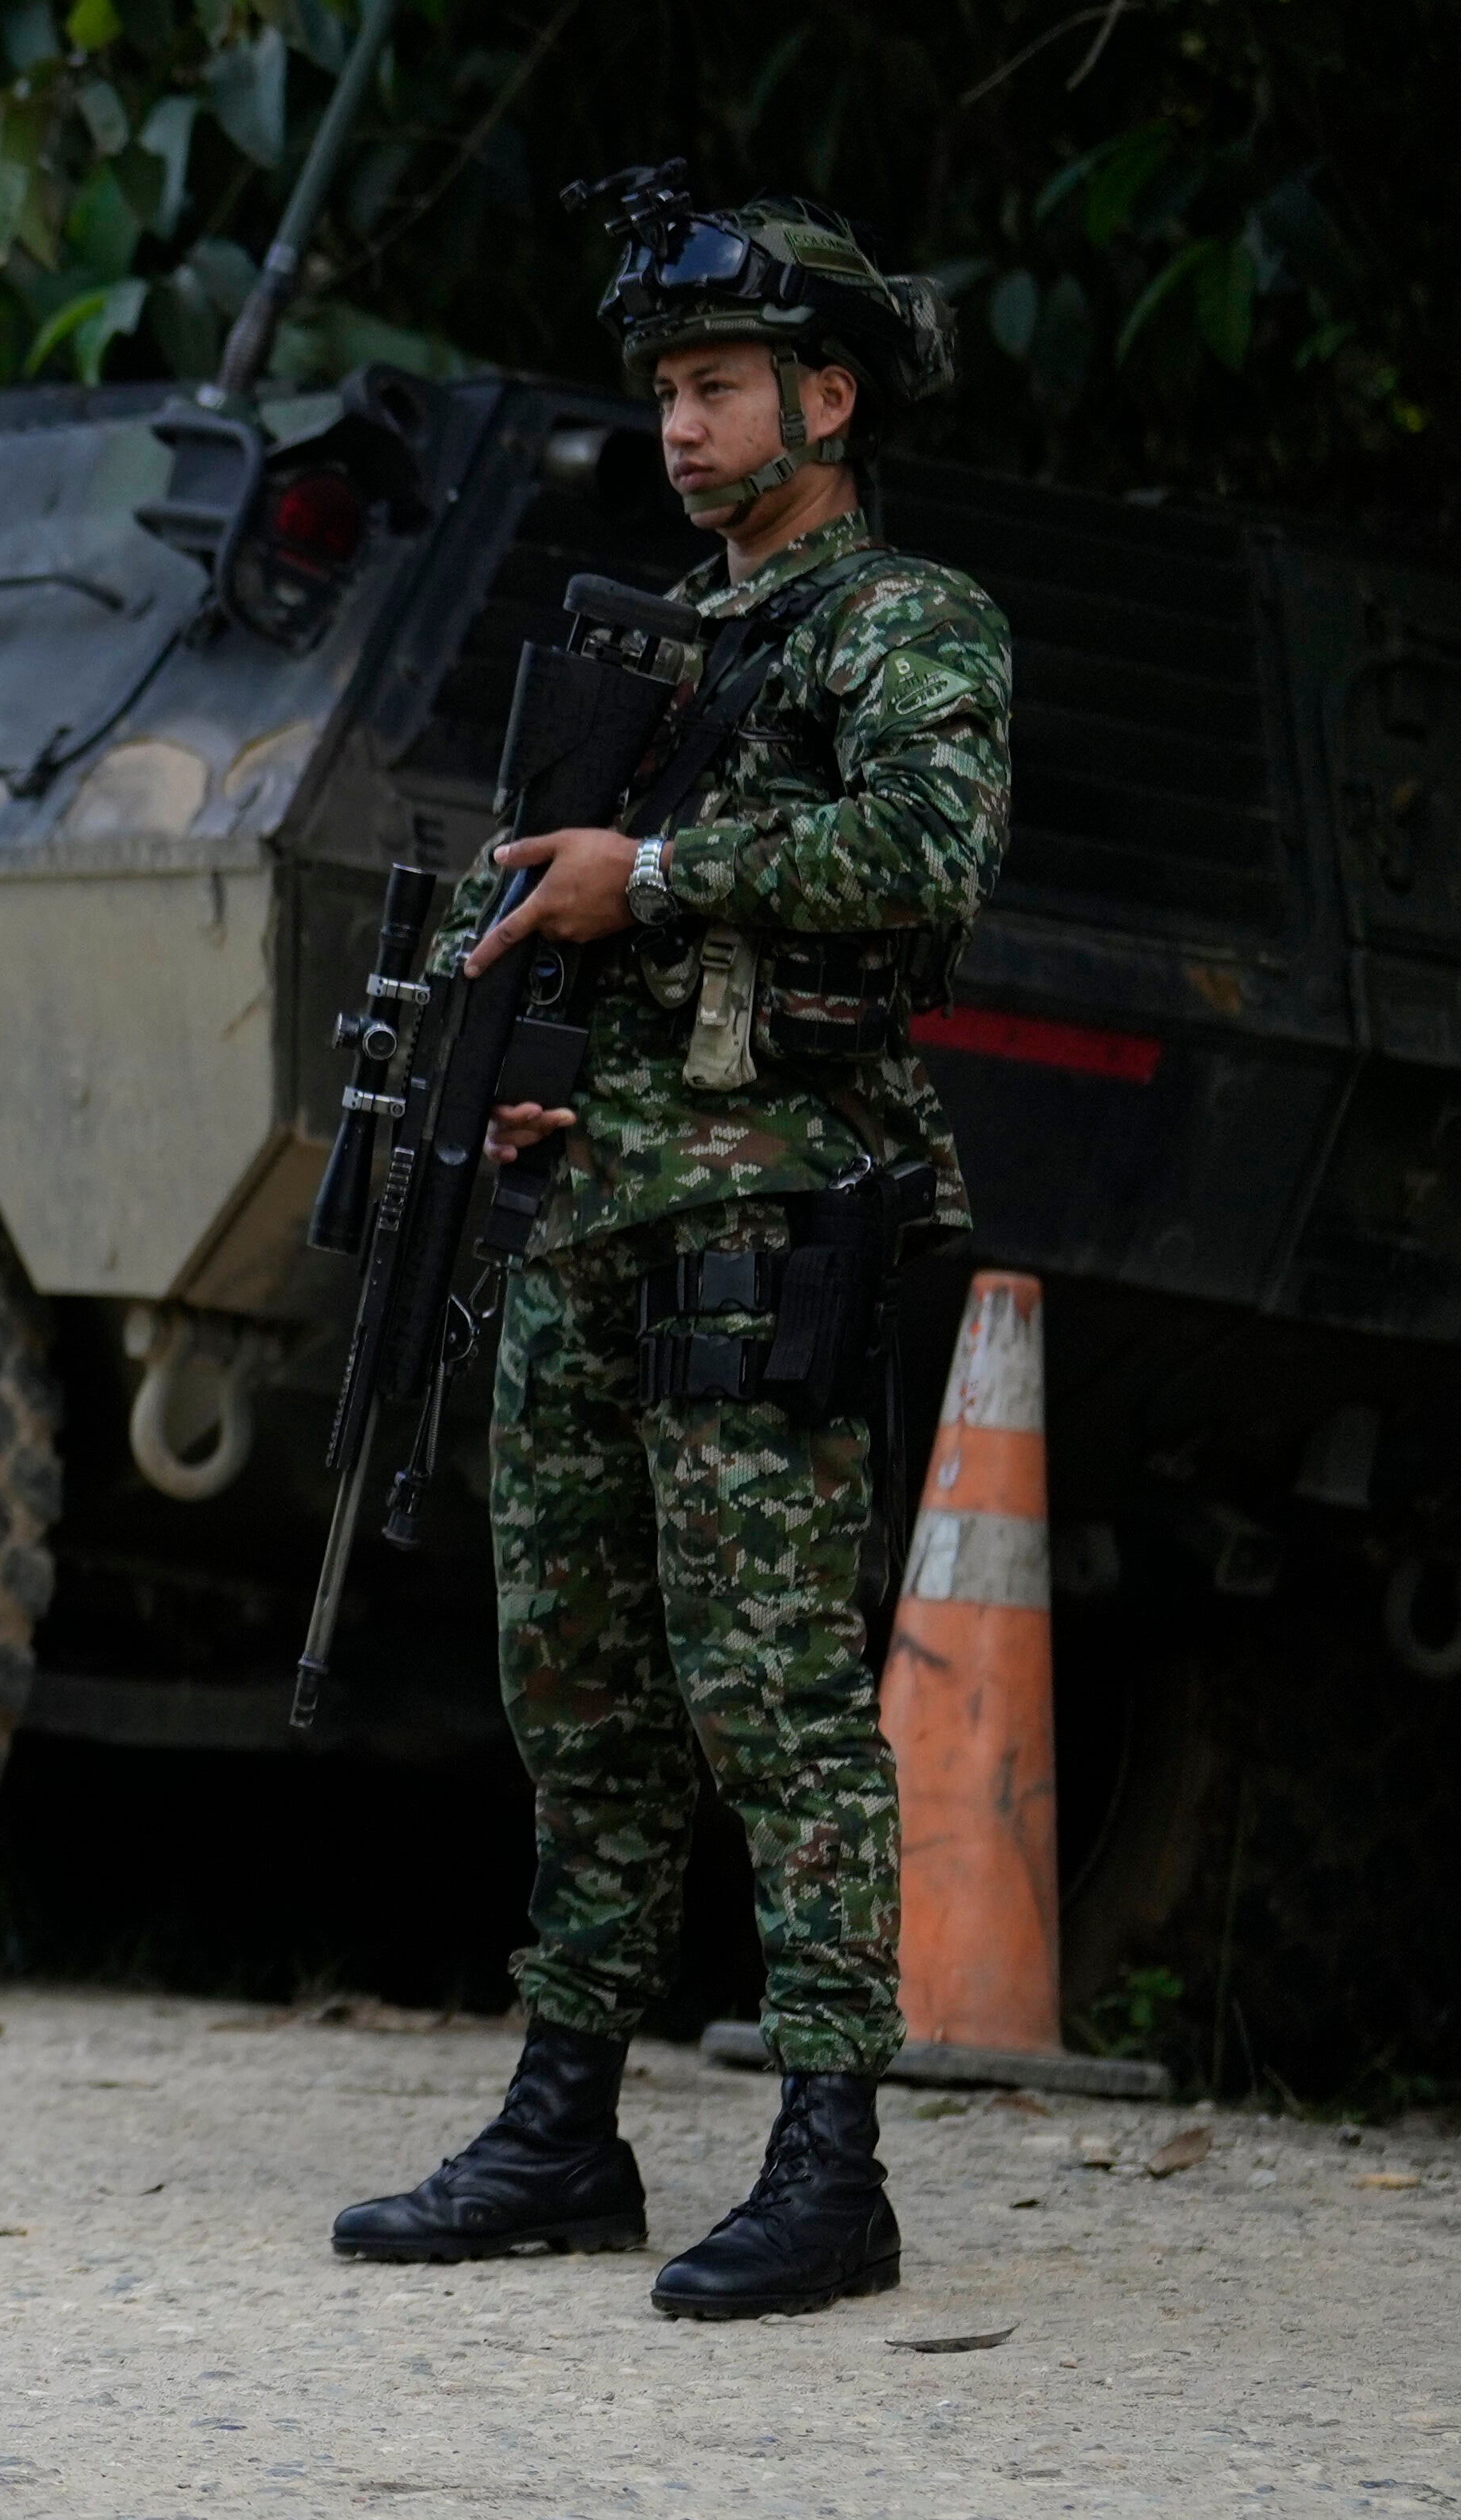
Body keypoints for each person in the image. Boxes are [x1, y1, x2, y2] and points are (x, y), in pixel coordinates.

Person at [335, 177, 1010, 2322]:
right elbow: (611, 924)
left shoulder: (907, 624)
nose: (683, 428)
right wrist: (555, 1063)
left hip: (766, 1215)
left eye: (719, 386)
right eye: (665, 394)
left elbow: (924, 851)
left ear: (826, 392)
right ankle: (565, 2119)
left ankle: (830, 2155)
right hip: (601, 1203)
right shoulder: (666, 638)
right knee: (579, 1692)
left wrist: (657, 872)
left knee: (779, 1704)